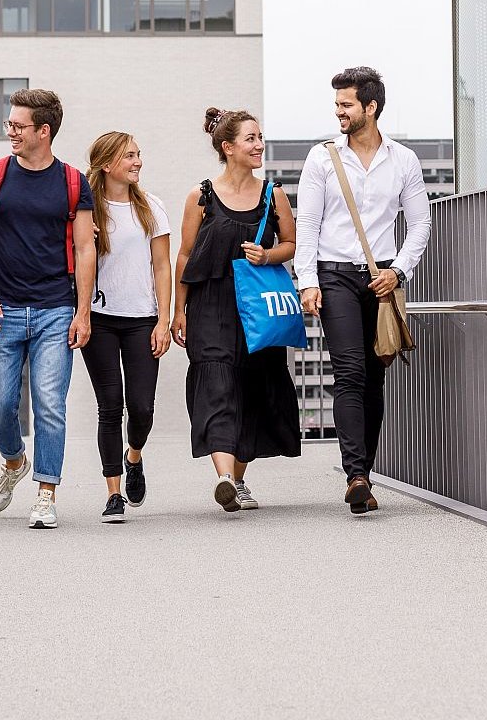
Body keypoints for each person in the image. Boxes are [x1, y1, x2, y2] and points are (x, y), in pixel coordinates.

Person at [295, 67, 431, 514]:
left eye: (346, 105)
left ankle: (364, 473)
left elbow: (420, 223)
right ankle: (354, 473)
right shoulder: (322, 158)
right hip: (334, 275)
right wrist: (308, 282)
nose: (339, 112)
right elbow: (307, 225)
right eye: (337, 105)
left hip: (381, 281)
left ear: (370, 107)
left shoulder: (403, 160)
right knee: (350, 372)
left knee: (375, 377)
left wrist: (400, 271)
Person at [0, 88, 97, 530]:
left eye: (19, 126)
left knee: (49, 404)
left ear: (45, 131)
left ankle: (45, 492)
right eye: (10, 124)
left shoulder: (74, 182)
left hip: (56, 309)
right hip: (2, 306)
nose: (11, 132)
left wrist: (82, 312)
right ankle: (14, 460)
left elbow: (84, 248)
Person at [172, 107, 302, 512]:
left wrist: (267, 256)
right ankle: (225, 477)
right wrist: (178, 312)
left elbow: (291, 246)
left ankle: (238, 480)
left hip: (257, 308)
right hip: (211, 304)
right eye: (250, 138)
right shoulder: (201, 196)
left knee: (253, 388)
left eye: (260, 137)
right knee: (216, 383)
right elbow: (185, 255)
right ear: (228, 148)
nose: (259, 144)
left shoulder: (273, 194)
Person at [79, 131, 173, 523]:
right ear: (107, 165)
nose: (137, 162)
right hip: (99, 319)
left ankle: (133, 455)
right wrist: (81, 234)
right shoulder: (86, 209)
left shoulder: (151, 207)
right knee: (109, 407)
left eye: (138, 154)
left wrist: (163, 320)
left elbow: (162, 266)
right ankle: (113, 493)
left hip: (142, 319)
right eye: (129, 156)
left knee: (142, 408)